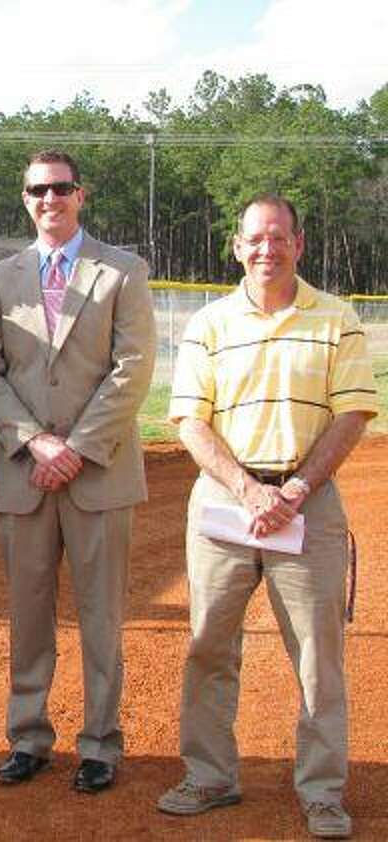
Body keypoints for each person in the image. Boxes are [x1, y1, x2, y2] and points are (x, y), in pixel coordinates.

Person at [157, 194, 377, 839]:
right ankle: (210, 776)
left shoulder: (339, 319)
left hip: (307, 503)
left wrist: (298, 488)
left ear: (299, 244)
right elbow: (191, 421)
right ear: (237, 246)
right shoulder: (209, 323)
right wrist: (249, 490)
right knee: (208, 649)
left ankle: (323, 792)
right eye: (255, 239)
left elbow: (353, 413)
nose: (266, 249)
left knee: (317, 655)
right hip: (226, 504)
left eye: (278, 237)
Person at [0, 149, 155, 794]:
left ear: (82, 194)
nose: (50, 199)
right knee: (29, 612)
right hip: (26, 472)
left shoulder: (124, 271)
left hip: (99, 473)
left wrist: (76, 447)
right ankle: (29, 738)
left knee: (101, 614)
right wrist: (35, 444)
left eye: (61, 188)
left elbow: (133, 370)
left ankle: (100, 743)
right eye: (38, 190)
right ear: (25, 198)